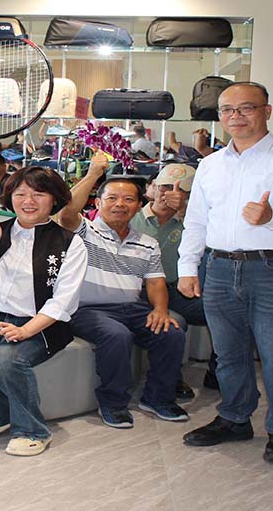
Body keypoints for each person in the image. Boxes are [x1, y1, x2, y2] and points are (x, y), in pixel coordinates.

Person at [177, 82, 273, 464]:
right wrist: (188, 266)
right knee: (228, 354)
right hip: (220, 268)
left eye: (246, 108)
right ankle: (235, 418)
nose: (235, 116)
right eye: (227, 110)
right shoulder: (210, 165)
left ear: (266, 111)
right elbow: (196, 221)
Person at [0, 167, 86, 456]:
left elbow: (63, 301)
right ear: (10, 198)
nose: (28, 201)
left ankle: (33, 430)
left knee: (4, 360)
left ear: (54, 199)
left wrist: (25, 330)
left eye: (39, 194)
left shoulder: (69, 243)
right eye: (20, 194)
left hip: (38, 323)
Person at [58, 173, 188, 429]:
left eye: (128, 199)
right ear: (98, 203)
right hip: (88, 309)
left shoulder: (148, 243)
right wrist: (93, 173)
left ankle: (158, 398)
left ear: (139, 205)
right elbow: (66, 213)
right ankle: (113, 403)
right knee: (116, 334)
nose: (120, 204)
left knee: (171, 332)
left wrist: (160, 310)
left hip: (133, 308)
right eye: (112, 198)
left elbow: (155, 282)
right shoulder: (84, 231)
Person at [129, 163, 219, 397]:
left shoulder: (194, 224)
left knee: (226, 312)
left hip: (176, 290)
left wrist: (186, 213)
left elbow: (216, 242)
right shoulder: (130, 216)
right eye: (165, 187)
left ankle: (218, 373)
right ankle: (172, 378)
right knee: (173, 323)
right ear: (152, 188)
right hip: (136, 291)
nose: (169, 194)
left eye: (181, 190)